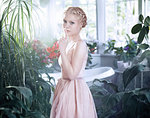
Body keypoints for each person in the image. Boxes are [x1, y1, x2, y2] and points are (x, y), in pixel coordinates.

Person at [50, 7, 97, 118]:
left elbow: (72, 75)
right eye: (65, 21)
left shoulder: (80, 45)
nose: (66, 26)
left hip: (74, 91)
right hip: (63, 87)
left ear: (80, 25)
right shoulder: (69, 43)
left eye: (72, 23)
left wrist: (62, 50)